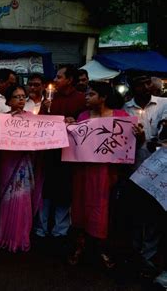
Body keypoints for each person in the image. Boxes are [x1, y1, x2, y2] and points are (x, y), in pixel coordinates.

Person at [68, 81, 144, 269]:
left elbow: (133, 143)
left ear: (103, 98)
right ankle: (80, 245)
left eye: (91, 94)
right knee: (82, 206)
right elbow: (75, 144)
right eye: (86, 94)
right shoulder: (83, 116)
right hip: (84, 172)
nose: (86, 97)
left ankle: (103, 248)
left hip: (107, 173)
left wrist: (139, 135)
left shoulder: (121, 117)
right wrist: (68, 128)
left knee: (105, 209)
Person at [34, 64, 86, 245]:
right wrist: (43, 109)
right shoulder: (49, 98)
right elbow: (39, 124)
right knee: (46, 191)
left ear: (70, 80)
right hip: (49, 153)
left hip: (69, 154)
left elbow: (86, 123)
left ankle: (60, 232)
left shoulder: (81, 99)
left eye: (59, 77)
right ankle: (41, 230)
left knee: (64, 193)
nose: (55, 81)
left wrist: (75, 122)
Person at [123, 74, 167, 277]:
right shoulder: (126, 109)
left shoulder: (164, 103)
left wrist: (156, 140)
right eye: (141, 84)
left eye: (148, 82)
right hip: (135, 168)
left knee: (154, 216)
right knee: (135, 213)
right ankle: (134, 252)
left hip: (159, 171)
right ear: (133, 87)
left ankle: (148, 256)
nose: (147, 86)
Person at [0, 85, 44, 252]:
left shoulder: (32, 118)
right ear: (8, 101)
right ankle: (4, 237)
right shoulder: (2, 119)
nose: (21, 99)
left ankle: (21, 238)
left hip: (26, 164)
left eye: (23, 96)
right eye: (16, 96)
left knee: (23, 201)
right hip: (8, 164)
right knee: (7, 200)